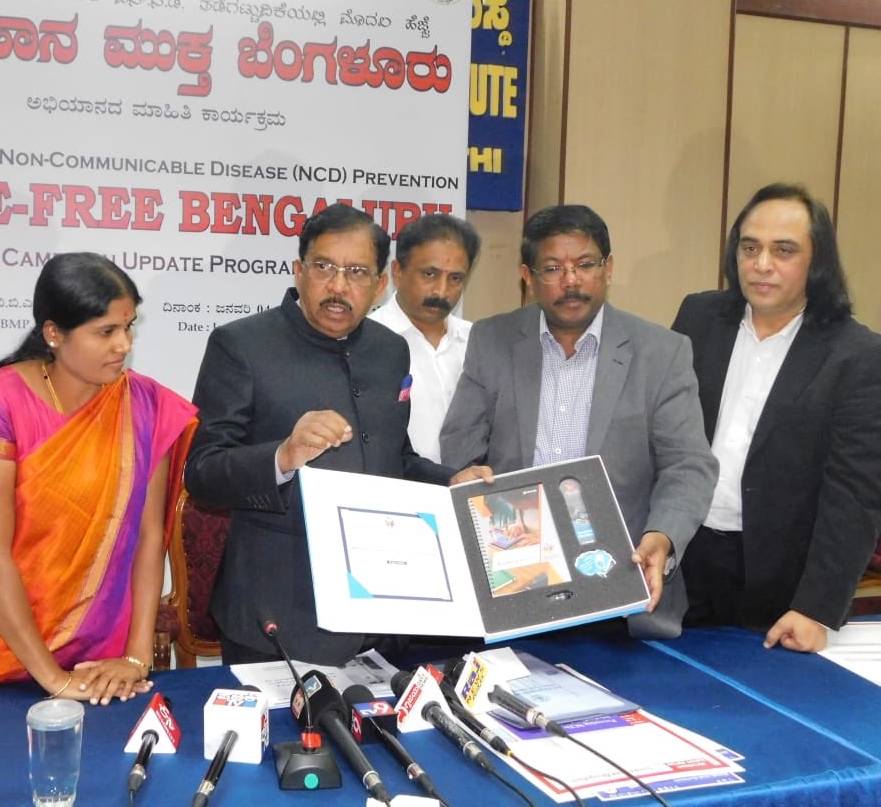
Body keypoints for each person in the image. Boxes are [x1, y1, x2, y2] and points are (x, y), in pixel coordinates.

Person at [184, 204, 491, 665]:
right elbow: (203, 472)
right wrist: (282, 456)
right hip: (280, 616)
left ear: (380, 284)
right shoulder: (241, 345)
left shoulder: (390, 351)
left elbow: (395, 456)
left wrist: (451, 481)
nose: (338, 286)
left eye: (357, 272)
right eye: (324, 267)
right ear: (299, 270)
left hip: (383, 612)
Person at [441, 204, 718, 638]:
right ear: (527, 276)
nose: (571, 281)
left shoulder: (662, 352)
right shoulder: (492, 339)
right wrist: (468, 481)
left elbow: (689, 465)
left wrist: (662, 537)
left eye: (585, 265)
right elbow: (461, 446)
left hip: (621, 589)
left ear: (608, 268)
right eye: (553, 268)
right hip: (513, 583)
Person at [0, 254, 195, 702]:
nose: (123, 345)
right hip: (7, 658)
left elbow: (148, 536)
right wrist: (55, 680)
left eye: (128, 327)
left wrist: (136, 657)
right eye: (106, 331)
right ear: (53, 333)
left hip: (107, 664)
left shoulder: (144, 404)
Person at [672, 183, 881, 653]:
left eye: (783, 250)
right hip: (683, 560)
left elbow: (854, 496)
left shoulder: (858, 355)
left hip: (780, 585)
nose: (762, 264)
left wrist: (816, 608)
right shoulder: (699, 316)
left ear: (816, 261)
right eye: (750, 248)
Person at [369, 213, 479, 462]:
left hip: (469, 483)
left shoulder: (477, 342)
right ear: (397, 271)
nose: (441, 291)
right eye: (430, 274)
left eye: (455, 278)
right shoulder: (367, 342)